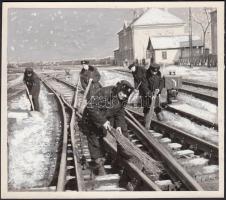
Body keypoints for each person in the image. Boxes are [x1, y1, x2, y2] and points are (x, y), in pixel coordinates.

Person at [82, 80, 134, 175]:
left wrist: (118, 125)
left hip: (105, 116)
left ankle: (122, 158)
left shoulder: (122, 99)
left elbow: (120, 112)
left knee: (116, 132)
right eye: (123, 93)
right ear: (119, 89)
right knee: (95, 140)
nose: (124, 96)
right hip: (91, 117)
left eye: (127, 95)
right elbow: (91, 107)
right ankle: (98, 164)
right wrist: (103, 121)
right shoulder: (105, 93)